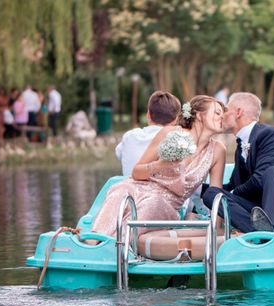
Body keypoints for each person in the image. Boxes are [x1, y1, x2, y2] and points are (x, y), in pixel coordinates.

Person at [90, 95, 227, 238]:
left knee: (151, 204)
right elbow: (136, 172)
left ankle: (117, 246)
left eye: (223, 114)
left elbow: (215, 195)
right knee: (120, 190)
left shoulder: (218, 150)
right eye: (217, 113)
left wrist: (216, 230)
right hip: (140, 186)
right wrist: (161, 164)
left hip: (167, 204)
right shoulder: (170, 133)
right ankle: (93, 243)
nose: (221, 117)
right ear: (199, 115)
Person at [202, 92, 274, 234]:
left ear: (238, 112)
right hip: (262, 210)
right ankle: (258, 230)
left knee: (271, 172)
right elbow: (234, 186)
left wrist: (234, 192)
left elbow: (260, 178)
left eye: (226, 110)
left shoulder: (270, 135)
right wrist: (195, 189)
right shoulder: (240, 147)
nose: (222, 115)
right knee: (213, 194)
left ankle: (268, 230)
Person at [116, 90, 181, 176]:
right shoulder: (174, 141)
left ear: (148, 115)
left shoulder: (129, 136)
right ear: (175, 121)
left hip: (125, 187)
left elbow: (118, 154)